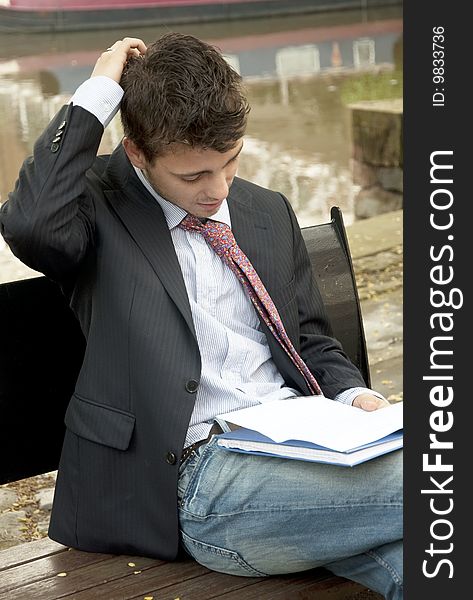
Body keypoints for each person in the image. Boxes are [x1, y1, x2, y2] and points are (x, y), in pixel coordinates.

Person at [0, 34, 402, 599]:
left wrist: (358, 402)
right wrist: (97, 95)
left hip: (306, 443)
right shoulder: (96, 207)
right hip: (191, 478)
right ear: (138, 152)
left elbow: (310, 339)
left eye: (229, 163)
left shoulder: (266, 210)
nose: (217, 192)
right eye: (193, 177)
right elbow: (29, 224)